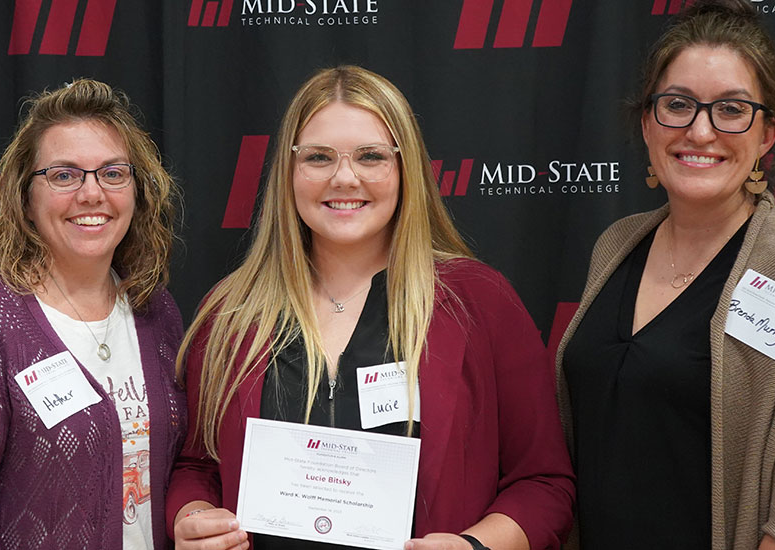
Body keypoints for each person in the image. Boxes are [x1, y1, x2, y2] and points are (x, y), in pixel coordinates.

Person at [168, 66, 575, 550]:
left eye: (371, 156)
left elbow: (544, 483)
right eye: (318, 157)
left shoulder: (477, 301)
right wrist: (193, 518)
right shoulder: (231, 313)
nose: (344, 177)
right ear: (289, 170)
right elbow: (197, 466)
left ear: (405, 170)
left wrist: (476, 546)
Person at [554, 1, 775, 548]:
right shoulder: (615, 248)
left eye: (731, 109)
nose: (701, 132)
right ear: (647, 122)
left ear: (767, 134)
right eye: (677, 105)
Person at [0, 78, 185, 550]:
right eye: (64, 175)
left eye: (112, 173)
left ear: (136, 192)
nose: (92, 194)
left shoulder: (155, 309)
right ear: (26, 200)